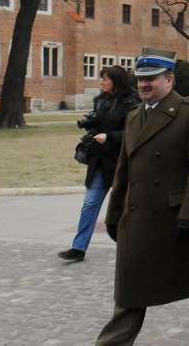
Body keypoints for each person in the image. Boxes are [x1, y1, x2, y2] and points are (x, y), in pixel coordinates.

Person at [96, 47, 189, 346]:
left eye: (151, 79)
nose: (143, 85)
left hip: (181, 222)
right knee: (129, 298)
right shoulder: (133, 117)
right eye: (140, 79)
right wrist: (115, 215)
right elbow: (124, 172)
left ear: (169, 80)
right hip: (141, 223)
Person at [58, 66, 139, 262]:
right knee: (89, 204)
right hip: (99, 162)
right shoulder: (102, 99)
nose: (101, 82)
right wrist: (90, 122)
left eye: (105, 79)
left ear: (116, 82)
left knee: (125, 207)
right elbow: (101, 121)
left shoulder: (132, 102)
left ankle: (132, 246)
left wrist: (109, 137)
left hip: (121, 164)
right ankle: (79, 248)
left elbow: (135, 133)